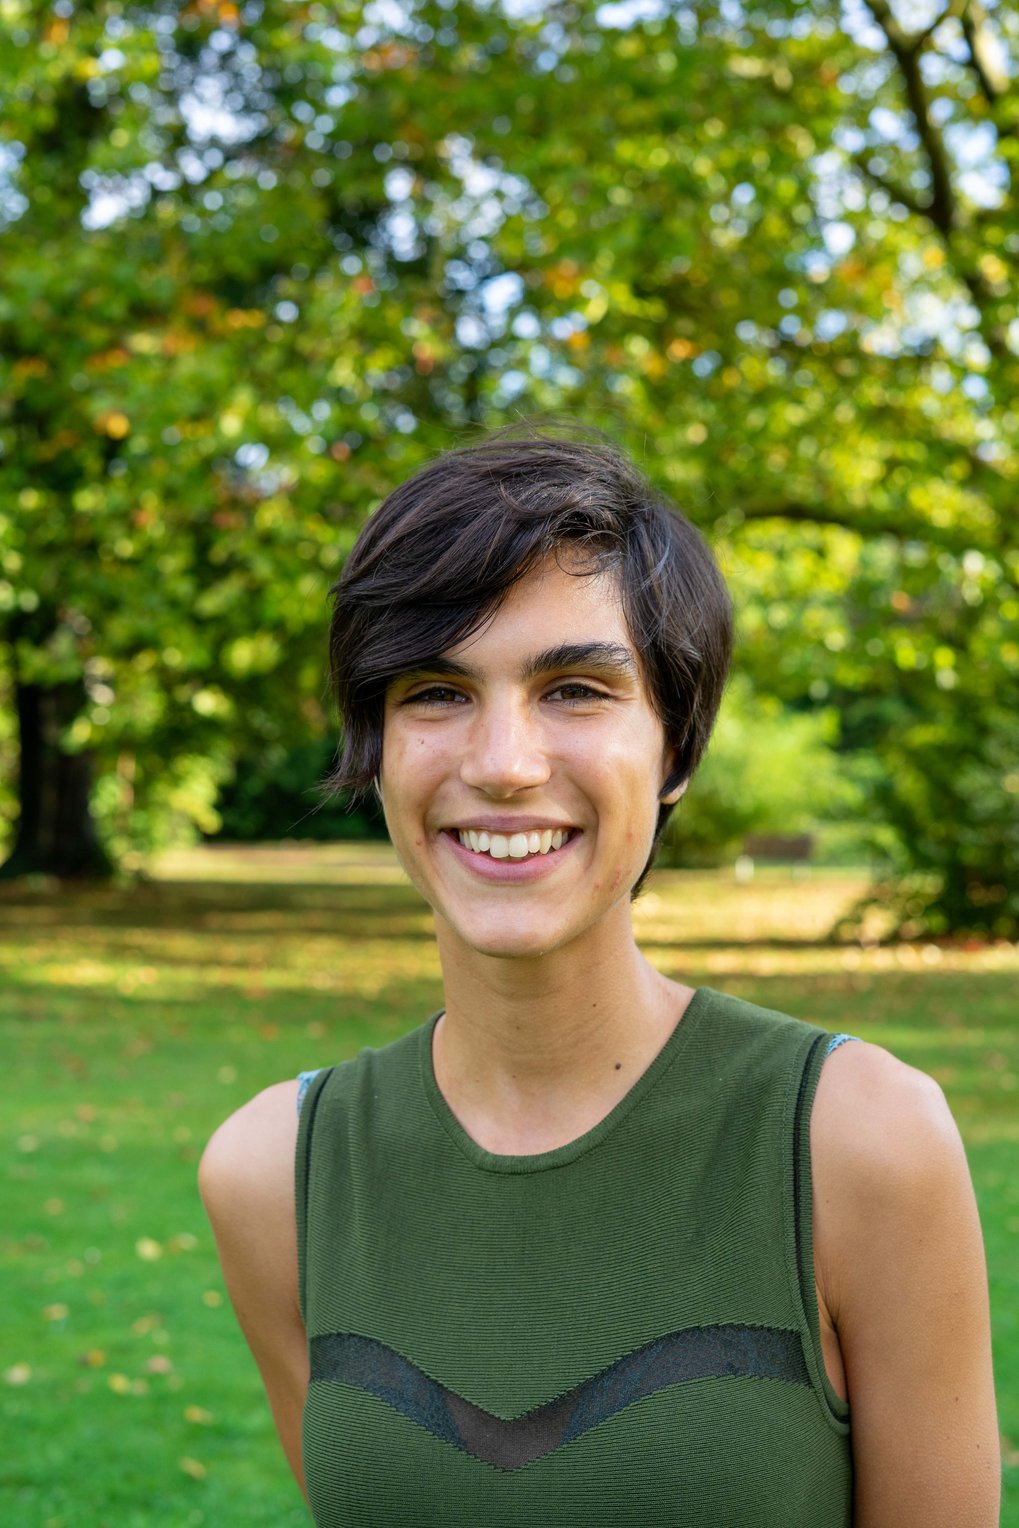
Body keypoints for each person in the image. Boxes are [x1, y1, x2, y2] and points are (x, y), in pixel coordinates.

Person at [199, 426, 1000, 1526]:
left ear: (674, 748)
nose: (503, 762)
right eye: (434, 691)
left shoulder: (860, 1142)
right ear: (374, 745)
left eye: (574, 688)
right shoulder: (268, 1174)